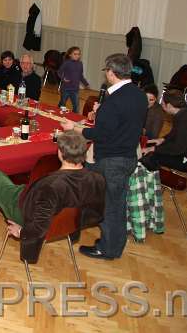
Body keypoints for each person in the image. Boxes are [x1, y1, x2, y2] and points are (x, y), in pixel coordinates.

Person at [0, 132, 105, 265]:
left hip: (23, 210)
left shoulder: (52, 186)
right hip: (61, 218)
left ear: (60, 153)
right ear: (84, 152)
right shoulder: (97, 179)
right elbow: (96, 212)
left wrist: (21, 231)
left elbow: (39, 224)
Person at [61, 53, 147, 260]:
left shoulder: (115, 100)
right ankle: (109, 243)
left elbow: (100, 133)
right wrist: (103, 113)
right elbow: (124, 124)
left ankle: (107, 249)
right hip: (128, 156)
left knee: (109, 206)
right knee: (115, 203)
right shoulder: (139, 95)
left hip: (111, 160)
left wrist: (76, 128)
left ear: (111, 72)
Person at [141, 89, 187, 172]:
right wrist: (163, 139)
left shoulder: (185, 121)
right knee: (152, 149)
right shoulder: (184, 112)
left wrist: (153, 149)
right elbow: (175, 132)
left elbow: (177, 149)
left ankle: (152, 180)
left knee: (148, 157)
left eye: (162, 104)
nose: (161, 106)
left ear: (169, 105)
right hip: (186, 151)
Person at [58, 46, 90, 113]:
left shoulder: (80, 64)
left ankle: (74, 118)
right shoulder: (66, 63)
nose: (77, 56)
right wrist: (63, 78)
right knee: (62, 104)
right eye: (75, 54)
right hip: (65, 88)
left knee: (76, 106)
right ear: (70, 55)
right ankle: (58, 113)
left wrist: (86, 83)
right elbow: (59, 72)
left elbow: (80, 75)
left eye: (78, 54)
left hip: (75, 89)